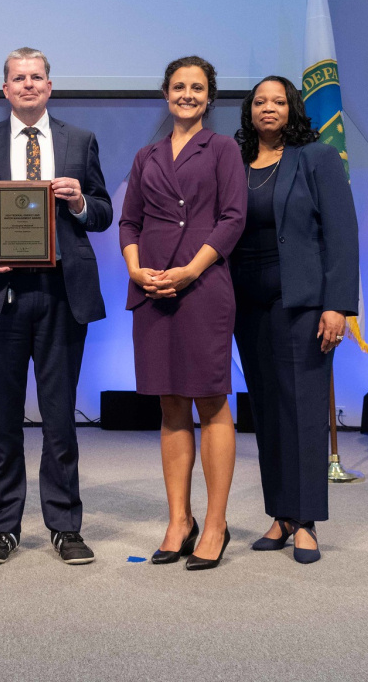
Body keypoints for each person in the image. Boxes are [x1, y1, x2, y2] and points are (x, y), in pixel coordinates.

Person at [0, 47, 112, 566]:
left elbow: (104, 212)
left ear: (49, 85)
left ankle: (65, 526)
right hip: (2, 296)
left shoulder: (79, 141)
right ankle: (3, 528)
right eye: (17, 78)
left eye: (36, 77)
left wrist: (81, 202)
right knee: (3, 421)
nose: (27, 85)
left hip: (63, 296)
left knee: (61, 418)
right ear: (5, 89)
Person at [119, 55, 246, 571]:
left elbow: (234, 218)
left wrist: (191, 270)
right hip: (152, 290)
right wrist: (135, 269)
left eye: (197, 87)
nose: (187, 94)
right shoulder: (146, 155)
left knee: (211, 402)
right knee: (170, 404)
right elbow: (129, 222)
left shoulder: (223, 150)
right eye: (178, 87)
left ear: (209, 97)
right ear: (166, 94)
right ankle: (179, 520)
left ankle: (215, 524)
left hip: (203, 286)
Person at [232, 76, 359, 564]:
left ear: (292, 108)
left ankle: (306, 521)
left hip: (303, 303)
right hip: (248, 305)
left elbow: (342, 234)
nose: (268, 108)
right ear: (249, 111)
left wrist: (337, 305)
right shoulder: (238, 164)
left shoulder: (316, 157)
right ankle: (280, 514)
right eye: (260, 101)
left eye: (278, 101)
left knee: (303, 410)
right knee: (267, 411)